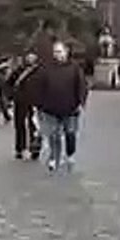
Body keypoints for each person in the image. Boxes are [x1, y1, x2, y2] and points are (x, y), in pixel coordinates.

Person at [33, 40, 87, 172]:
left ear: (66, 52)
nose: (57, 54)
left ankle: (70, 154)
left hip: (71, 108)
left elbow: (82, 87)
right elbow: (40, 87)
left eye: (59, 51)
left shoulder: (74, 68)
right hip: (51, 108)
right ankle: (54, 158)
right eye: (55, 52)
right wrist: (39, 104)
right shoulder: (47, 68)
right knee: (54, 135)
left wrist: (81, 102)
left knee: (70, 133)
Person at [7, 52, 42, 160]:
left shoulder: (40, 72)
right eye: (28, 59)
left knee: (33, 126)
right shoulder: (19, 71)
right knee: (20, 125)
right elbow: (9, 83)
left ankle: (34, 147)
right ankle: (20, 148)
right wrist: (11, 96)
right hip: (22, 100)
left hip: (34, 102)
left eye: (31, 59)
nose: (30, 61)